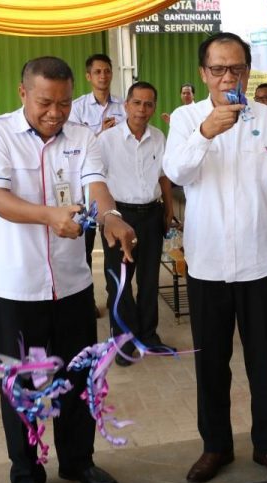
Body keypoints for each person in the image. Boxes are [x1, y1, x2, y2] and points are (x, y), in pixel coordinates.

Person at [0, 56, 134, 483]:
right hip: (14, 289)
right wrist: (49, 216)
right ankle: (26, 475)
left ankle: (78, 461)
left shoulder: (83, 136)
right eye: (46, 102)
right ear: (22, 92)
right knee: (21, 388)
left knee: (79, 378)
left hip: (71, 286)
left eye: (64, 103)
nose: (55, 112)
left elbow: (96, 186)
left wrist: (112, 217)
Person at [164, 32, 267, 483]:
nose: (228, 77)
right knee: (212, 362)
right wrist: (206, 132)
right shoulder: (186, 118)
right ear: (203, 73)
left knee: (265, 359)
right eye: (218, 69)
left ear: (248, 70)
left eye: (236, 68)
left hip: (261, 258)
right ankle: (216, 446)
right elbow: (177, 172)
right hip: (208, 262)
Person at [97, 82, 176, 366]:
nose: (142, 110)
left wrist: (168, 210)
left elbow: (164, 177)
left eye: (149, 104)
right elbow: (96, 181)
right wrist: (107, 218)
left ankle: (148, 336)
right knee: (119, 282)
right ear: (126, 105)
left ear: (154, 107)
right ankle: (123, 340)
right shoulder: (107, 140)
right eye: (137, 103)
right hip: (120, 217)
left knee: (149, 279)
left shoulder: (158, 137)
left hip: (152, 215)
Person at [69, 53, 127, 317]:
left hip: (115, 186)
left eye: (107, 71)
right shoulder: (77, 108)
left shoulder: (124, 106)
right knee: (84, 248)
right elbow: (72, 145)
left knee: (113, 248)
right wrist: (100, 135)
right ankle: (87, 300)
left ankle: (114, 298)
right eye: (97, 72)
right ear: (88, 76)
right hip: (86, 190)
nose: (103, 76)